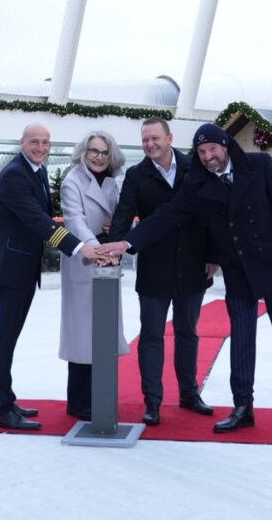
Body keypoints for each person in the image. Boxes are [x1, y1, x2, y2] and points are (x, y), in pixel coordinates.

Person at [97, 123, 272, 437]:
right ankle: (242, 408)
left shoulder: (259, 165)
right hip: (237, 271)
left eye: (213, 149)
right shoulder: (197, 182)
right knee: (242, 344)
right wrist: (127, 243)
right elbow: (168, 215)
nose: (208, 157)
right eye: (202, 152)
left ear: (225, 146)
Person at [0, 123, 103, 430]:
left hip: (21, 269)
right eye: (34, 141)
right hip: (8, 269)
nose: (40, 147)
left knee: (4, 336)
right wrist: (79, 247)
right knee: (3, 337)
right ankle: (0, 406)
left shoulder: (36, 171)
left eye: (45, 142)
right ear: (21, 142)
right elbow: (38, 220)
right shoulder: (14, 175)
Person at [107, 118, 216, 426]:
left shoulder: (195, 168)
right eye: (145, 140)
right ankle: (152, 401)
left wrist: (213, 255)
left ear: (170, 137)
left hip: (194, 266)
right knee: (152, 336)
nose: (150, 144)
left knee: (187, 333)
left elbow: (211, 214)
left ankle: (189, 394)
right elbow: (124, 214)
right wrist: (115, 246)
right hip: (155, 267)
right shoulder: (136, 175)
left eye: (155, 138)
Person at [58, 130, 130, 420]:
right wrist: (97, 248)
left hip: (106, 265)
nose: (99, 157)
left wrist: (117, 230)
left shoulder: (112, 182)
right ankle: (78, 402)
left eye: (103, 152)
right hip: (85, 261)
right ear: (84, 152)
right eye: (94, 151)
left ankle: (99, 397)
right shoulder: (72, 181)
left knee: (102, 334)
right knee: (82, 336)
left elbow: (119, 215)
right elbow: (74, 220)